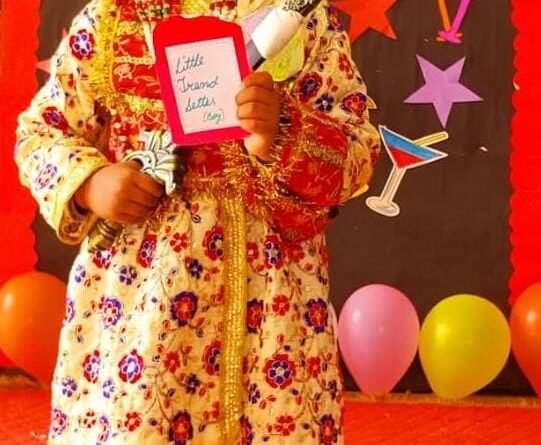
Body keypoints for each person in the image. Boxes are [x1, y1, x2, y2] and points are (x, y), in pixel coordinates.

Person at [15, 0, 380, 443]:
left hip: (271, 307)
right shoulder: (113, 17)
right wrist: (91, 184)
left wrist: (280, 131)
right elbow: (42, 134)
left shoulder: (299, 18)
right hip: (140, 306)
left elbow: (357, 152)